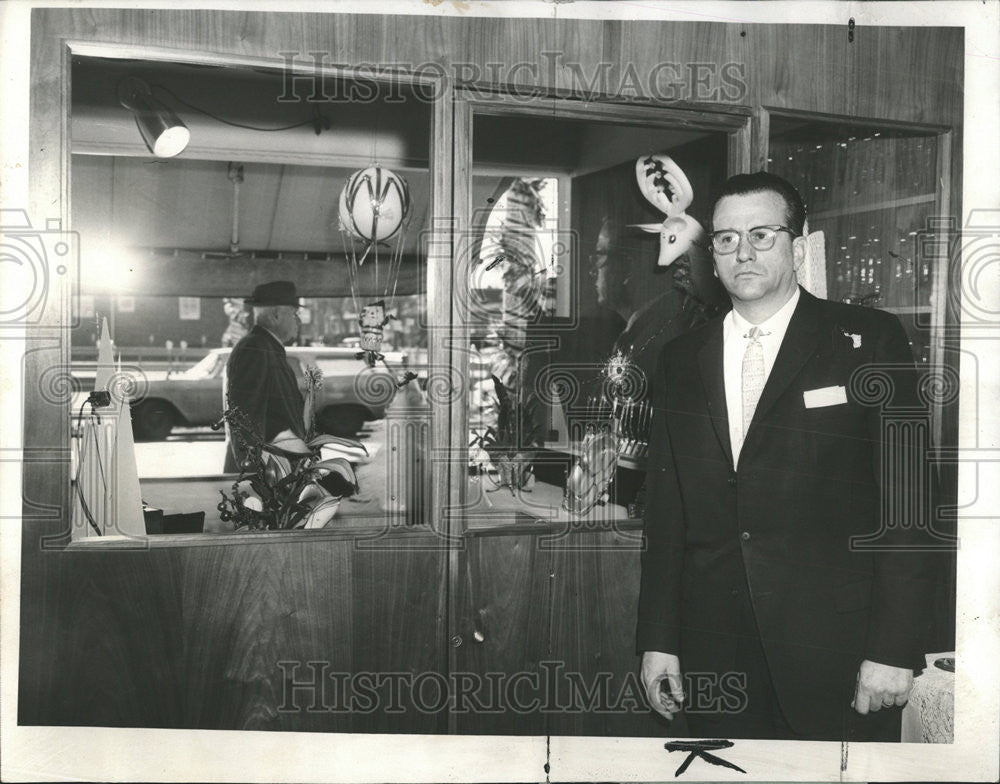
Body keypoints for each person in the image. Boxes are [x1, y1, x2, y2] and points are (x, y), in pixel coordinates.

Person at [636, 172, 935, 741]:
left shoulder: (868, 340)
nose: (741, 252)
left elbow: (910, 506)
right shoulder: (681, 358)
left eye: (762, 235)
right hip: (715, 653)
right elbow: (667, 512)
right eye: (726, 238)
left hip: (839, 654)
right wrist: (659, 640)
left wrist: (895, 649)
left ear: (797, 246)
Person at [223, 280, 308, 471]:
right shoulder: (256, 350)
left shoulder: (265, 347)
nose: (298, 321)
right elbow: (245, 418)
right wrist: (255, 477)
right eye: (295, 314)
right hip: (266, 477)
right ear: (276, 315)